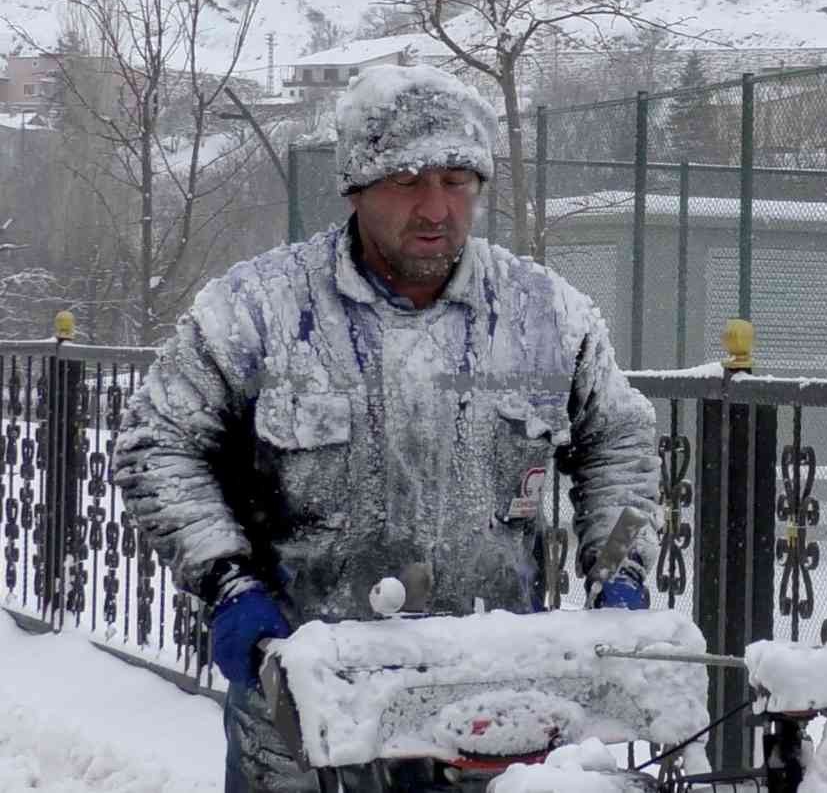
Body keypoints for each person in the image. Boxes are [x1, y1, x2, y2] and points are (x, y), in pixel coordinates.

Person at [111, 64, 662, 792]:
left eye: (457, 181)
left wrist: (617, 571)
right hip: (306, 712)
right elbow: (160, 446)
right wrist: (229, 584)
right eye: (407, 181)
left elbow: (618, 441)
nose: (436, 207)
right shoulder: (257, 312)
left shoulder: (546, 317)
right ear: (357, 186)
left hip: (493, 713)